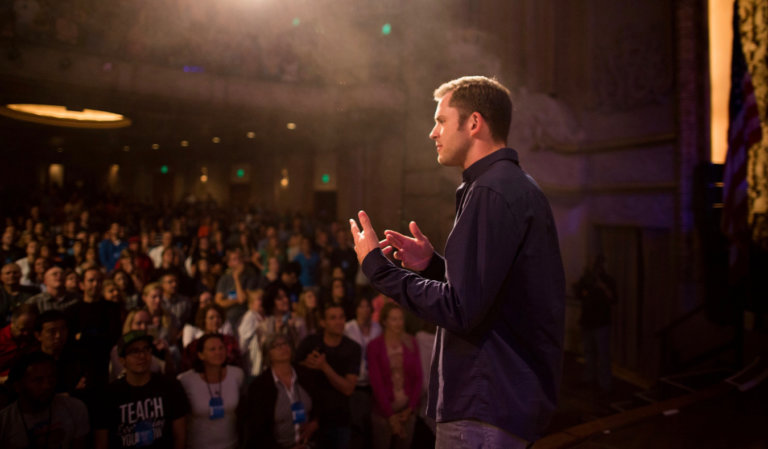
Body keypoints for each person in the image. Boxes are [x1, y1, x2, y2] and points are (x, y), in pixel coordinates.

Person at [349, 76, 565, 447]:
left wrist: (377, 267)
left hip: (485, 400)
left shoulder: (491, 191)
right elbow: (493, 293)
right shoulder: (512, 185)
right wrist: (434, 265)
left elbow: (461, 309)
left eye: (441, 120)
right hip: (501, 398)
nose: (433, 132)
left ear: (474, 123)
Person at [94, 331, 189, 449]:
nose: (142, 356)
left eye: (146, 349)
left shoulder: (170, 387)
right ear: (122, 360)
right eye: (134, 351)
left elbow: (180, 437)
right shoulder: (108, 395)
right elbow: (101, 443)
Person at [296, 303, 361, 449]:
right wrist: (307, 364)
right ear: (323, 322)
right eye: (333, 318)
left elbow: (348, 389)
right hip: (308, 418)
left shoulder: (353, 348)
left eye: (341, 317)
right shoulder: (310, 342)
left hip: (338, 420)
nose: (339, 322)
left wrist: (324, 367)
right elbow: (293, 370)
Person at [241, 333, 319, 449]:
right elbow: (258, 430)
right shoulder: (259, 387)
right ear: (268, 354)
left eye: (285, 344)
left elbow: (321, 405)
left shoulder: (306, 375)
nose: (283, 348)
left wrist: (315, 423)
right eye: (276, 346)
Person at [0, 352, 90, 449]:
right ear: (18, 386)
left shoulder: (74, 408)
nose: (47, 386)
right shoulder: (5, 421)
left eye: (51, 379)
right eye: (38, 380)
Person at [367, 302, 422, 449]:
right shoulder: (375, 346)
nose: (398, 323)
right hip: (382, 414)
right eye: (393, 319)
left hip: (407, 412)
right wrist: (391, 416)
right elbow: (376, 382)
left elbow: (418, 378)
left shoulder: (411, 342)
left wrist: (410, 408)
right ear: (384, 321)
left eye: (400, 318)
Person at [177, 333, 244, 449]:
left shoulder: (237, 374)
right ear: (201, 355)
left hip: (232, 444)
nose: (218, 352)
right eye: (212, 349)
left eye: (221, 348)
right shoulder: (186, 380)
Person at [573, 254, 617, 394]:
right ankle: (589, 378)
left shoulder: (608, 280)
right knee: (589, 352)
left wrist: (603, 287)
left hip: (602, 323)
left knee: (603, 354)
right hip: (587, 321)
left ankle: (605, 384)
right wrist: (583, 291)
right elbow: (578, 293)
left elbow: (614, 299)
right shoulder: (586, 279)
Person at [344, 296, 382, 449]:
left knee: (370, 425)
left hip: (373, 382)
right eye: (361, 306)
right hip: (355, 382)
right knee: (357, 423)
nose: (365, 310)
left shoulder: (377, 328)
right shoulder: (348, 328)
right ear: (356, 309)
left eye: (367, 306)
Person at [0, 303, 39, 379]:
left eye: (30, 329)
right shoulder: (1, 339)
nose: (26, 333)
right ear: (12, 321)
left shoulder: (35, 339)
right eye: (22, 329)